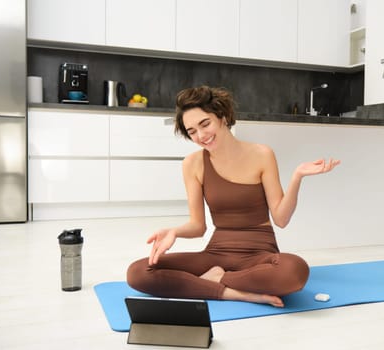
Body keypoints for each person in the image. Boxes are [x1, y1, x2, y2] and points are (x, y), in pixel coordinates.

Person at [127, 86, 340, 307]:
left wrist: (297, 177)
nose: (201, 136)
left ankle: (217, 281)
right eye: (192, 132)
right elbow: (198, 226)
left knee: (294, 271)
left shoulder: (262, 155)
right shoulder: (192, 164)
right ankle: (234, 292)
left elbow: (281, 219)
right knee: (139, 271)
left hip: (259, 254)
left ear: (222, 116)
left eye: (205, 124)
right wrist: (174, 231)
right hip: (216, 254)